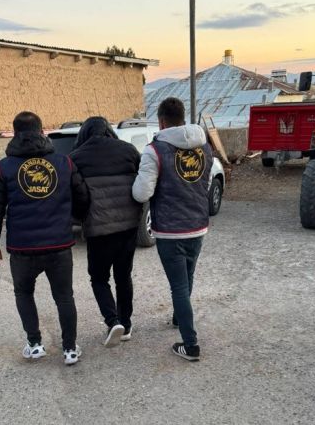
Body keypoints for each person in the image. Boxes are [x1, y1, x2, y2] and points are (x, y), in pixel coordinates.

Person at [0, 111, 90, 366]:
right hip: (59, 245)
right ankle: (69, 349)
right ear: (42, 131)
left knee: (23, 293)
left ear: (15, 133)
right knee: (64, 296)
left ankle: (34, 344)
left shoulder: (3, 167)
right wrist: (71, 218)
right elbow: (83, 197)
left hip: (22, 248)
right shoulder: (64, 163)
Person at [132, 97, 213, 362]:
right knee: (187, 277)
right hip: (198, 225)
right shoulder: (204, 146)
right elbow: (204, 183)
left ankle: (190, 345)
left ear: (161, 121)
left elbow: (142, 193)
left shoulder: (154, 150)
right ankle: (180, 317)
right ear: (182, 117)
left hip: (170, 230)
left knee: (178, 285)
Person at [69, 117, 142, 347]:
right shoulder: (129, 151)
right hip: (129, 226)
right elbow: (141, 184)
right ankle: (126, 325)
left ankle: (112, 321)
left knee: (99, 278)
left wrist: (81, 217)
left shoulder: (76, 157)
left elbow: (76, 196)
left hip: (99, 229)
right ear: (109, 130)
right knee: (123, 276)